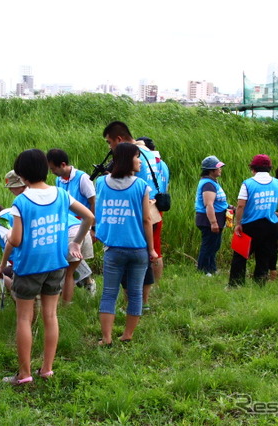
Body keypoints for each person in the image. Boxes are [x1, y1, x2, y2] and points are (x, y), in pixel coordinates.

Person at [0, 149, 93, 385]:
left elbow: (16, 240)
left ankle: (24, 374)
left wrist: (9, 237)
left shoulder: (21, 201)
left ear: (22, 175)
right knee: (51, 315)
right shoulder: (60, 194)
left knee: (24, 318)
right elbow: (89, 216)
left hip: (29, 266)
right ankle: (47, 369)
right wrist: (76, 242)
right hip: (56, 264)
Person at [96, 143, 158, 345]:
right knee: (135, 293)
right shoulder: (140, 186)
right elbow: (147, 220)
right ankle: (127, 335)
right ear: (127, 160)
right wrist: (151, 249)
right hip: (138, 249)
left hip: (113, 249)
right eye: (137, 157)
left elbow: (99, 210)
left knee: (109, 293)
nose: (140, 161)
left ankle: (106, 338)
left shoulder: (101, 183)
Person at [103, 122, 160, 310]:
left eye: (109, 142)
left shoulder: (132, 159)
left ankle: (136, 304)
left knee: (126, 276)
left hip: (134, 219)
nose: (110, 147)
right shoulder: (152, 155)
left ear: (118, 140)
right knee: (146, 259)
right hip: (153, 210)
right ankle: (143, 303)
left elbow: (129, 189)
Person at [228, 154, 278, 287]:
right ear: (269, 168)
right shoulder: (277, 183)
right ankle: (260, 284)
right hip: (271, 225)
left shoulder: (248, 184)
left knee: (240, 256)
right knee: (264, 257)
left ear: (253, 168)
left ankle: (235, 284)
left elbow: (241, 205)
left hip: (250, 226)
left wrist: (238, 224)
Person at [46, 148, 96, 303]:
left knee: (70, 263)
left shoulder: (82, 178)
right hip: (65, 227)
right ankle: (87, 282)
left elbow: (93, 202)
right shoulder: (58, 181)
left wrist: (93, 228)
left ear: (63, 164)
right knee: (71, 260)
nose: (52, 172)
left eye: (53, 168)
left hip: (82, 226)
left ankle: (85, 284)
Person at [136, 136, 169, 282]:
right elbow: (165, 185)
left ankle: (146, 282)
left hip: (146, 205)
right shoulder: (162, 164)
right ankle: (157, 283)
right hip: (158, 206)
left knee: (145, 245)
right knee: (156, 244)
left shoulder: (142, 163)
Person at [195, 156, 228, 276]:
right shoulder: (208, 184)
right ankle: (203, 270)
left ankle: (212, 268)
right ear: (211, 170)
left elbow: (217, 202)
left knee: (215, 244)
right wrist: (213, 222)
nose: (220, 170)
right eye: (218, 167)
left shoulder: (212, 182)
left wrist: (228, 207)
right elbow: (208, 204)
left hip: (217, 217)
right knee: (208, 245)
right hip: (208, 220)